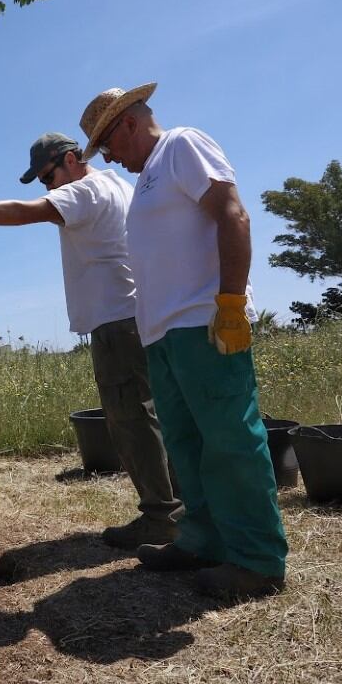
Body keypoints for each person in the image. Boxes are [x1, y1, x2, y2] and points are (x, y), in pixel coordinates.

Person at [0, 132, 184, 549]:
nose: (48, 187)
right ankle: (180, 508)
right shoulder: (116, 184)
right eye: (43, 181)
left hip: (116, 319)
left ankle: (162, 516)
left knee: (130, 418)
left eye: (48, 176)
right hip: (138, 312)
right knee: (154, 414)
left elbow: (27, 212)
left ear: (73, 159)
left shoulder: (86, 189)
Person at [78, 82, 287, 600]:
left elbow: (233, 214)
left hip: (204, 322)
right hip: (162, 333)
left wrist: (232, 304)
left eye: (109, 146)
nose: (109, 158)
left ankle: (256, 560)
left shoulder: (182, 146)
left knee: (230, 439)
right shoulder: (147, 177)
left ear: (127, 124)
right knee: (186, 443)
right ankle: (201, 539)